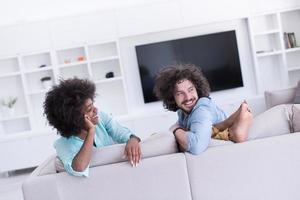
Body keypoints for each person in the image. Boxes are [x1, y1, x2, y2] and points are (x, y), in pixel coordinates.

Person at [44, 78, 141, 177]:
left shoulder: (100, 117)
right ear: (75, 119)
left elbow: (123, 133)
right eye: (89, 109)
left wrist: (132, 139)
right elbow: (79, 168)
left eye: (92, 105)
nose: (96, 110)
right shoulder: (63, 144)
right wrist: (91, 131)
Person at [153, 64, 252, 155]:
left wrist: (175, 130)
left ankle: (233, 131)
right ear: (172, 97)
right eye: (180, 93)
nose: (188, 97)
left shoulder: (201, 111)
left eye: (190, 90)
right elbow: (181, 124)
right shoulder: (182, 112)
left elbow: (197, 147)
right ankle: (233, 119)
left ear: (197, 89)